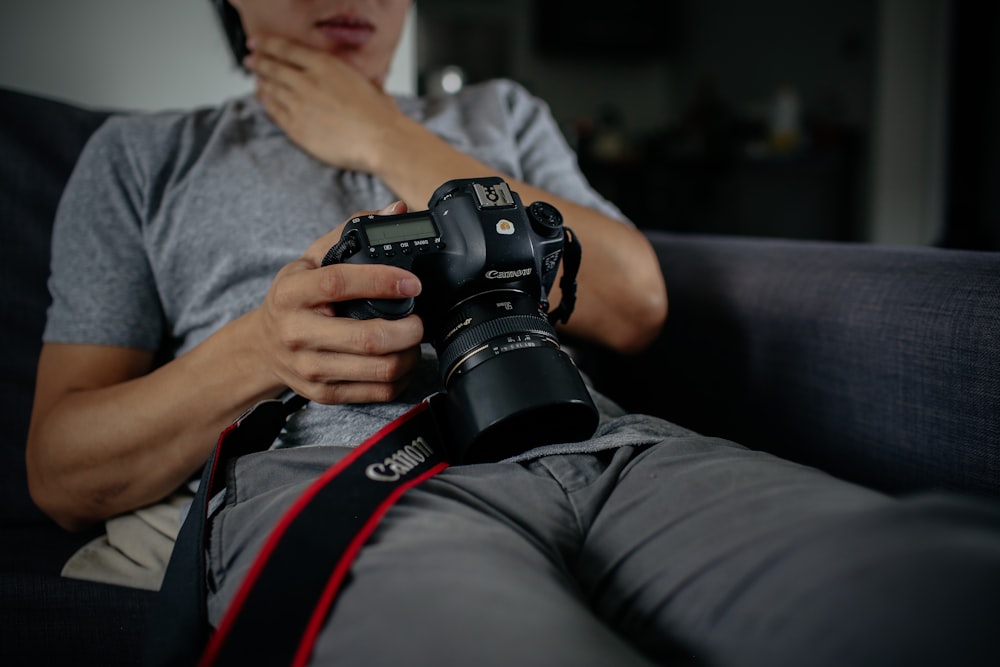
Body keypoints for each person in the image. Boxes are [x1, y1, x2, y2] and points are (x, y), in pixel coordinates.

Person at [25, 1, 1000, 665]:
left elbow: (635, 300)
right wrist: (261, 352)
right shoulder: (145, 155)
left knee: (931, 587)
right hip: (340, 481)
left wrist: (375, 133)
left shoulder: (497, 113)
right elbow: (62, 473)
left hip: (597, 444)